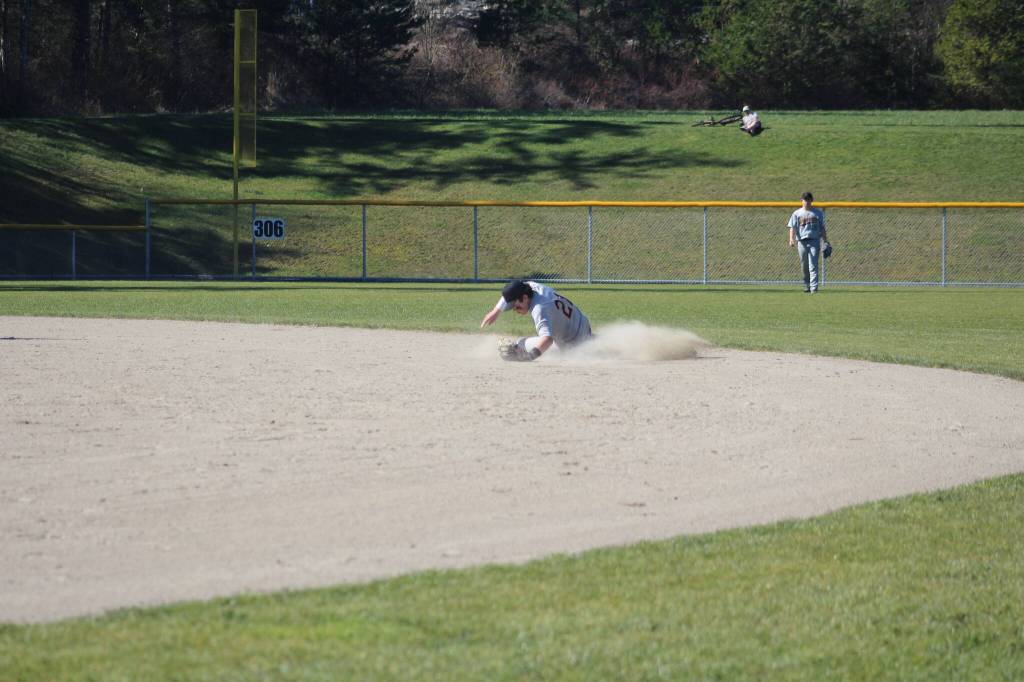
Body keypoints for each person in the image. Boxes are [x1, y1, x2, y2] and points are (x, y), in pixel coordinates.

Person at [481, 280, 592, 361]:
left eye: (516, 306)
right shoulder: (531, 286)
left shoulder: (539, 309)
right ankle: (593, 341)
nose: (514, 309)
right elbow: (512, 290)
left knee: (520, 345)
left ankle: (588, 347)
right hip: (583, 324)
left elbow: (547, 340)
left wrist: (529, 356)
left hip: (572, 345)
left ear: (524, 298)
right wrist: (495, 311)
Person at [788, 192, 828, 293]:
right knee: (804, 265)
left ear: (812, 200)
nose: (807, 202)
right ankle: (807, 285)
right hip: (802, 242)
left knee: (813, 265)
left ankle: (814, 288)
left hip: (814, 241)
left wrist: (825, 241)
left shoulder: (818, 213)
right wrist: (791, 239)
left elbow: (822, 228)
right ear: (802, 201)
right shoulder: (797, 213)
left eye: (809, 199)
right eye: (805, 200)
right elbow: (792, 227)